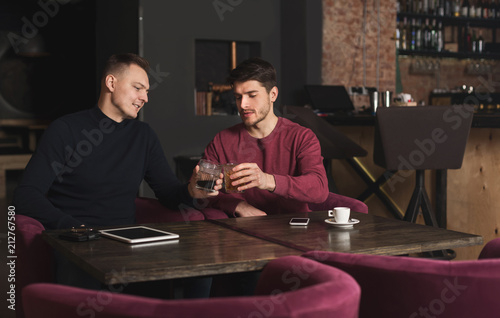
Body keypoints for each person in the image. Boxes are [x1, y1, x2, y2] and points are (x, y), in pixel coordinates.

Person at [13, 53, 220, 295]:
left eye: (147, 91)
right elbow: (26, 195)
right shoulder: (65, 129)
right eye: (138, 88)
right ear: (111, 83)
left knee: (199, 268)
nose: (145, 97)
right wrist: (74, 229)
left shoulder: (144, 136)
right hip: (76, 241)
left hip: (126, 242)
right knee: (82, 275)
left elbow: (167, 193)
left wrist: (190, 190)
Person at [203, 57, 329, 217]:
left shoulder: (302, 137)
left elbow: (319, 189)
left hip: (291, 230)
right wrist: (238, 206)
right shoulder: (222, 140)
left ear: (273, 94)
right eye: (238, 97)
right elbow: (201, 190)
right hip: (241, 233)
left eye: (252, 95)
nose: (243, 105)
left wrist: (267, 180)